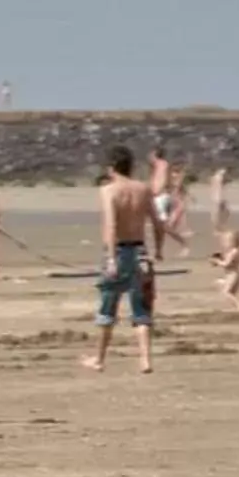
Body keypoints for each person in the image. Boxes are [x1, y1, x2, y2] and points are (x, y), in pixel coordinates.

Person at [85, 147, 156, 373]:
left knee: (108, 307)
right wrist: (160, 249)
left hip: (119, 250)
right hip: (141, 251)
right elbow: (157, 222)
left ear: (111, 168)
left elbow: (111, 224)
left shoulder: (109, 191)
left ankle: (99, 359)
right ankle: (145, 360)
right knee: (140, 309)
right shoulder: (144, 189)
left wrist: (112, 258)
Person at [209, 230, 239, 312]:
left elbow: (226, 264)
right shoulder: (231, 252)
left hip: (233, 275)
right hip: (232, 274)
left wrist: (218, 262)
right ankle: (236, 308)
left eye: (227, 241)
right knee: (231, 293)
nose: (224, 243)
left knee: (226, 292)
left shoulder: (234, 252)